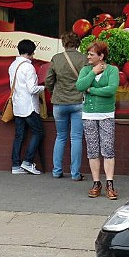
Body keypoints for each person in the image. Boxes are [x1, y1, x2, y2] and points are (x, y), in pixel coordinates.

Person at [76, 40, 119, 199]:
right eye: (88, 54)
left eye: (91, 54)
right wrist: (93, 72)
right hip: (88, 114)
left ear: (101, 56)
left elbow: (111, 90)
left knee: (108, 149)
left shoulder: (112, 70)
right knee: (92, 149)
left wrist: (92, 90)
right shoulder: (86, 70)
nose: (88, 56)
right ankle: (96, 182)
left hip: (106, 114)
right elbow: (80, 86)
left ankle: (109, 183)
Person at [45, 32, 87, 181]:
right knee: (76, 138)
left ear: (64, 43)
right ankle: (75, 174)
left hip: (59, 103)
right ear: (78, 43)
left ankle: (57, 171)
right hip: (77, 102)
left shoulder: (56, 59)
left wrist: (54, 92)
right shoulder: (84, 59)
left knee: (60, 137)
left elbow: (48, 80)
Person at [9, 39, 45, 175]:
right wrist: (44, 88)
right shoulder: (28, 67)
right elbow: (32, 89)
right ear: (31, 52)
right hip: (29, 106)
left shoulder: (13, 65)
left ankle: (15, 165)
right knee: (39, 132)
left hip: (17, 105)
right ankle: (28, 162)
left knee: (19, 135)